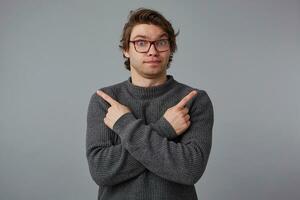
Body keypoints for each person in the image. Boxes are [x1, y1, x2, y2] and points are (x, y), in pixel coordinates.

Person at [86, 7, 214, 200]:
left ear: (170, 48)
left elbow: (190, 169)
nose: (152, 51)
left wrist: (124, 124)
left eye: (161, 42)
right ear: (126, 50)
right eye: (141, 43)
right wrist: (165, 129)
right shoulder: (105, 100)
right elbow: (102, 171)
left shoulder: (194, 99)